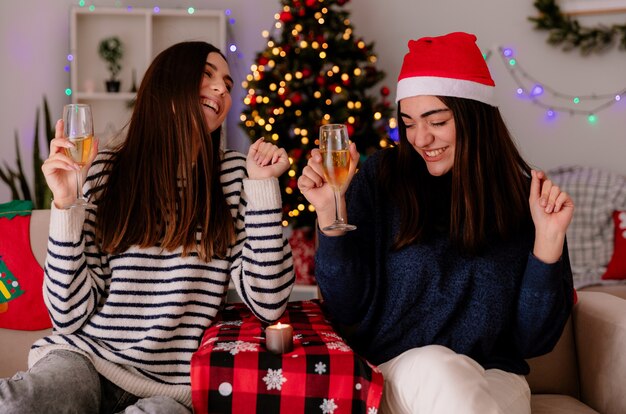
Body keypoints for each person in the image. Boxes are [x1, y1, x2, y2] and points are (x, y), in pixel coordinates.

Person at [0, 41, 294, 413]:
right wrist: (65, 203)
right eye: (207, 75)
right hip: (85, 360)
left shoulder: (236, 177)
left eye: (227, 83)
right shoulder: (106, 171)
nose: (222, 89)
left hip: (169, 389)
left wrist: (264, 187)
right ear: (167, 85)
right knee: (19, 403)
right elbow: (68, 313)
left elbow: (269, 304)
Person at [297, 32, 575, 414]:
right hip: (403, 372)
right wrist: (330, 214)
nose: (420, 138)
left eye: (437, 121)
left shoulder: (523, 198)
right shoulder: (381, 178)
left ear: (474, 117)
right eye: (408, 123)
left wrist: (549, 240)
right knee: (441, 370)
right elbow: (347, 309)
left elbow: (534, 342)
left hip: (496, 377)